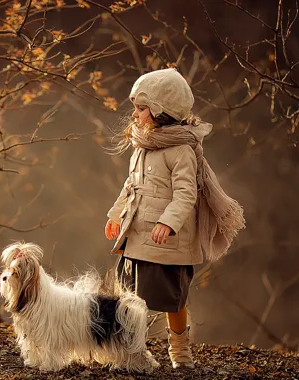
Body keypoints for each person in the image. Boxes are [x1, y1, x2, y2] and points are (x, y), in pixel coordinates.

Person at [105, 68, 245, 369]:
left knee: (174, 299)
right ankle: (134, 351)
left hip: (168, 243)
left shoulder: (181, 150)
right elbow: (131, 187)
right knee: (130, 297)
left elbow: (186, 195)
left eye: (141, 108)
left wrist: (168, 222)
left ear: (161, 111)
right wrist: (116, 214)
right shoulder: (141, 147)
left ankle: (180, 350)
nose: (134, 115)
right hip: (137, 236)